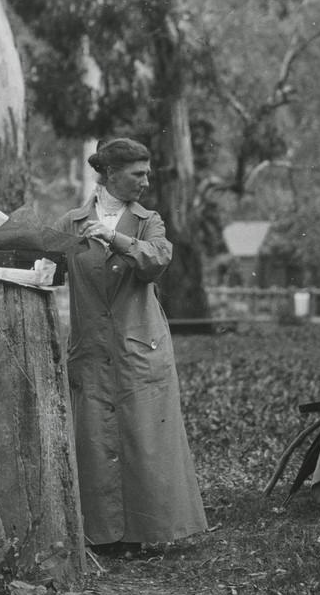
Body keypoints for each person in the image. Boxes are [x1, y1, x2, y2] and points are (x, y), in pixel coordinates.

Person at [53, 137, 207, 553]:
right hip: (90, 346)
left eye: (147, 172)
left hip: (140, 346)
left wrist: (112, 237)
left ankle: (147, 532)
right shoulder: (71, 222)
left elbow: (156, 261)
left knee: (144, 438)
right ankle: (101, 536)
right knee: (97, 437)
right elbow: (47, 268)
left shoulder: (147, 221)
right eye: (138, 173)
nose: (146, 180)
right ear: (109, 174)